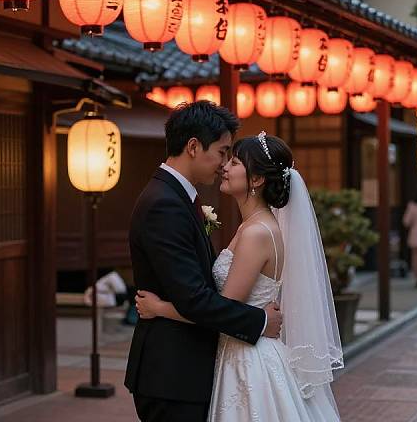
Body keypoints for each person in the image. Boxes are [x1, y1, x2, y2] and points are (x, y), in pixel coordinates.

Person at [136, 131, 343, 421]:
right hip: (241, 348)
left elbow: (222, 307)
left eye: (233, 162)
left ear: (256, 179)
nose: (225, 167)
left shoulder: (257, 233)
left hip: (248, 358)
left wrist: (159, 309)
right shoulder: (253, 227)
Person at [125, 102, 282, 422]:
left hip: (187, 369)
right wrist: (260, 321)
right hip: (172, 373)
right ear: (194, 147)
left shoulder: (178, 197)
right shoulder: (164, 204)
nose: (224, 164)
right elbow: (194, 298)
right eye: (223, 152)